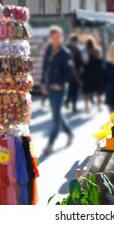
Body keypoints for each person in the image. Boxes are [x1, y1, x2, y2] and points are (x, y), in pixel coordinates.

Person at [41, 26, 73, 155]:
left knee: (55, 116)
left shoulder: (65, 53)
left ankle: (50, 143)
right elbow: (45, 67)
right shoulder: (49, 49)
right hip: (49, 86)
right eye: (54, 37)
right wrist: (43, 83)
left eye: (59, 37)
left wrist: (60, 84)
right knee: (58, 113)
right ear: (50, 38)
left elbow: (70, 72)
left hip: (59, 89)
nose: (57, 39)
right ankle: (70, 133)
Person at [82, 37, 103, 113]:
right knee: (98, 92)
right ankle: (99, 106)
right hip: (97, 74)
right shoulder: (97, 50)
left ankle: (87, 106)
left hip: (87, 74)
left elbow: (84, 62)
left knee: (87, 92)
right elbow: (101, 61)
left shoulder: (85, 51)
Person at [65, 35, 83, 113]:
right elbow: (80, 61)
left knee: (71, 89)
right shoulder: (76, 49)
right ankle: (73, 106)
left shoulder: (67, 47)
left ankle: (68, 101)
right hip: (76, 73)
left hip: (69, 72)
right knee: (74, 89)